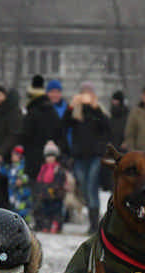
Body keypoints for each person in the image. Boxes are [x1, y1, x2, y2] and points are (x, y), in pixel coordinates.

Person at [63, 82, 111, 233]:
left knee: (92, 187)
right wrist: (71, 106)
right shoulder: (76, 111)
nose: (86, 97)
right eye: (84, 93)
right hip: (79, 155)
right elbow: (63, 125)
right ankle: (92, 218)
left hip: (95, 155)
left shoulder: (98, 110)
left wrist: (95, 108)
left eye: (89, 93)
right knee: (83, 187)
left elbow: (106, 127)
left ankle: (94, 224)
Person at [20, 75, 67, 182]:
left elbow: (26, 135)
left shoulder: (31, 112)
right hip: (49, 158)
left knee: (35, 190)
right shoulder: (51, 110)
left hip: (34, 158)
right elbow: (59, 134)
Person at [34, 141, 67, 233]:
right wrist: (40, 191)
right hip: (45, 195)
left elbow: (61, 181)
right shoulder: (43, 168)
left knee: (57, 212)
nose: (50, 158)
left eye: (52, 156)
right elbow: (40, 180)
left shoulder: (58, 169)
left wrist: (56, 189)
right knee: (45, 212)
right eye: (48, 156)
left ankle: (56, 225)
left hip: (55, 195)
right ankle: (46, 225)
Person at [0, 145, 32, 223]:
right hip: (12, 194)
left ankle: (27, 223)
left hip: (22, 194)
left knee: (23, 210)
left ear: (20, 156)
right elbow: (3, 170)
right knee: (14, 210)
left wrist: (22, 179)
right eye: (12, 155)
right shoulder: (11, 167)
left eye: (14, 155)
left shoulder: (23, 166)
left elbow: (28, 175)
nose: (12, 157)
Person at [123, 85, 145, 151]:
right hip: (141, 155)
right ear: (142, 97)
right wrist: (133, 153)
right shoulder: (135, 113)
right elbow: (129, 135)